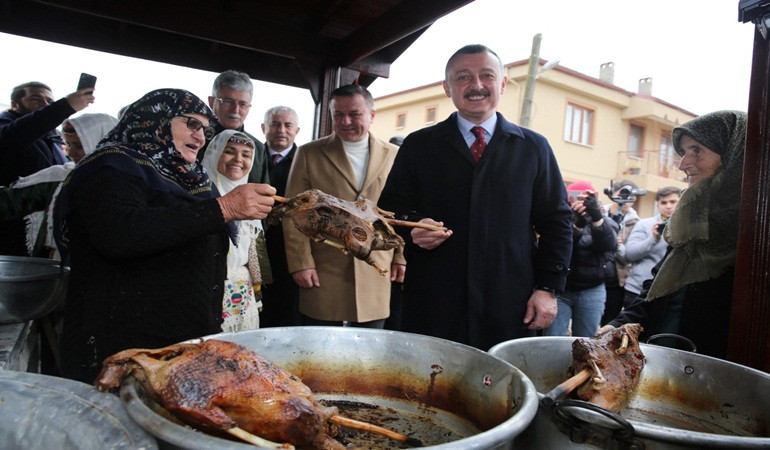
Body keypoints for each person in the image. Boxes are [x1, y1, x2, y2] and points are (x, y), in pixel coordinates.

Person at [53, 89, 276, 383]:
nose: (199, 136)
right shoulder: (111, 166)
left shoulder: (189, 177)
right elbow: (119, 233)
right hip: (123, 349)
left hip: (178, 344)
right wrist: (225, 207)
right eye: (191, 124)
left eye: (205, 130)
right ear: (155, 118)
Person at [378, 44, 573, 350]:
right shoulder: (419, 146)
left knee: (502, 389)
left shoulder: (533, 148)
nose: (477, 86)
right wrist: (414, 226)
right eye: (463, 77)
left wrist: (548, 288)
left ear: (503, 84)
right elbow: (390, 210)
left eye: (486, 76)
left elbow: (557, 222)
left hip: (511, 301)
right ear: (447, 88)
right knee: (432, 385)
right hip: (435, 299)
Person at [599, 110, 747, 360]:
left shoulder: (754, 227)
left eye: (696, 150)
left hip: (717, 367)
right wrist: (618, 324)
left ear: (733, 152)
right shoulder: (691, 217)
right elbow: (659, 285)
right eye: (684, 152)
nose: (683, 163)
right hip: (663, 354)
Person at [282, 84, 405, 328]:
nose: (346, 121)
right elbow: (294, 212)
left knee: (369, 353)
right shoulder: (309, 153)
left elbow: (401, 211)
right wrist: (301, 263)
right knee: (320, 351)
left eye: (354, 114)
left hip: (377, 266)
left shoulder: (395, 154)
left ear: (371, 115)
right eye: (338, 114)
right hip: (325, 267)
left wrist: (401, 256)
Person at [0, 113, 118, 258]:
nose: (71, 153)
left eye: (79, 145)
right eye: (68, 144)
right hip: (62, 269)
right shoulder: (58, 178)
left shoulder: (131, 181)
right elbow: (9, 203)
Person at [0, 81, 95, 256]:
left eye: (49, 102)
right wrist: (64, 106)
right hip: (10, 232)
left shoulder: (52, 141)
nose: (44, 104)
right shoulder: (7, 129)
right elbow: (18, 134)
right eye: (36, 98)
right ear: (14, 104)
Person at [202, 129, 272, 332]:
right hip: (210, 290)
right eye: (230, 151)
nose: (238, 159)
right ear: (216, 153)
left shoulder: (253, 198)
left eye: (246, 155)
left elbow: (255, 254)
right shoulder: (202, 196)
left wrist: (258, 290)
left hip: (243, 293)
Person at [543, 181, 617, 337]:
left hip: (592, 289)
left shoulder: (605, 222)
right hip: (561, 288)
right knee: (552, 338)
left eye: (586, 197)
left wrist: (596, 217)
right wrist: (577, 227)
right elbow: (562, 249)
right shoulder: (560, 219)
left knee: (587, 341)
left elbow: (608, 245)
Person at [260, 106, 302, 327]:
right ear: (264, 128)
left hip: (291, 249)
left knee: (288, 313)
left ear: (297, 130)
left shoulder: (305, 159)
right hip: (256, 247)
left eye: (287, 125)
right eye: (275, 124)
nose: (281, 130)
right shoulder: (251, 154)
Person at [199, 70, 269, 185]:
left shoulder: (258, 148)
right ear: (211, 102)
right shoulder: (195, 138)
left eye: (242, 104)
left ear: (249, 107)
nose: (235, 110)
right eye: (227, 102)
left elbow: (263, 193)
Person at [619, 186, 681, 306]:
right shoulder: (644, 224)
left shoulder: (687, 227)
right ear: (657, 205)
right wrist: (653, 238)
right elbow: (630, 254)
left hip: (669, 292)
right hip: (638, 290)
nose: (668, 206)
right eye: (664, 202)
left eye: (673, 202)